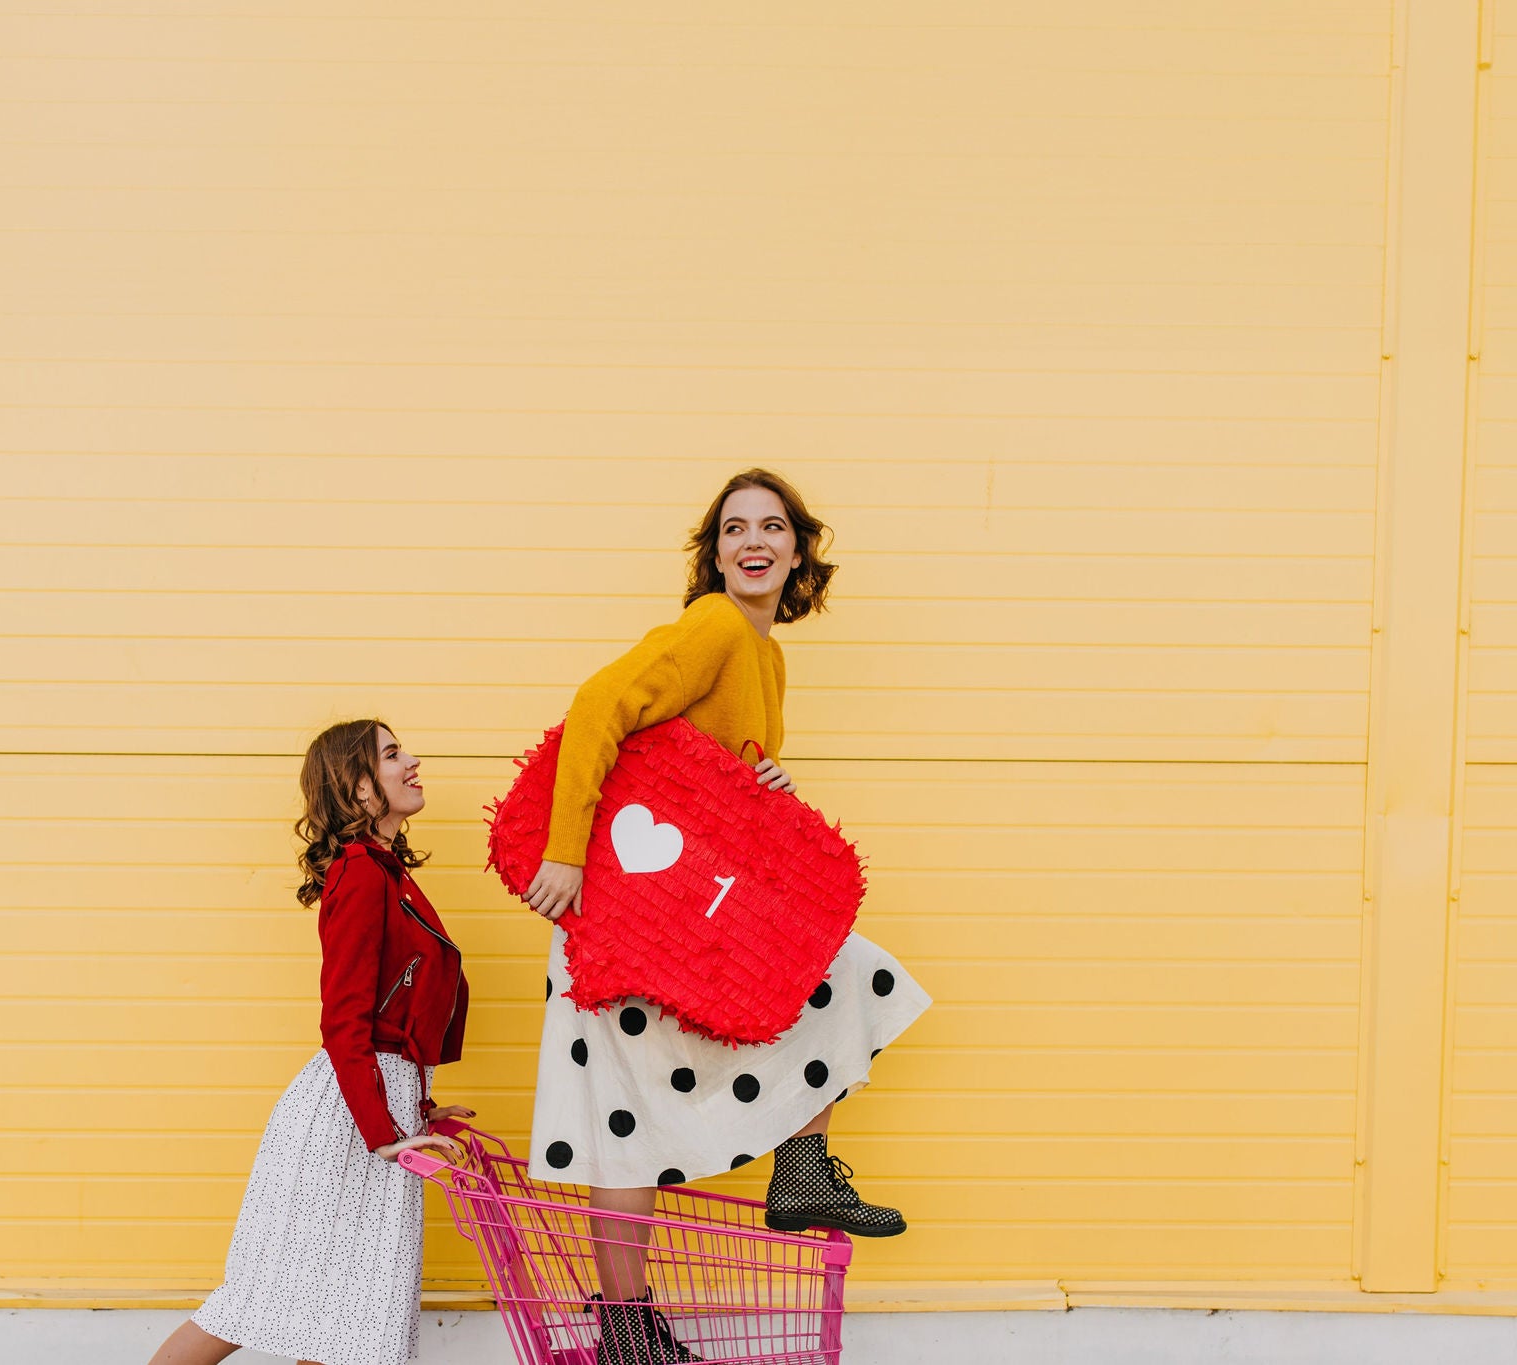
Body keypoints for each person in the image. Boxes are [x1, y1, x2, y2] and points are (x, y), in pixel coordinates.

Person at [522, 469, 931, 1365]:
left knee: (630, 1114)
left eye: (772, 527)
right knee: (628, 1110)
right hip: (627, 909)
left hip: (675, 910)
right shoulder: (711, 625)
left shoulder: (766, 653)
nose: (754, 541)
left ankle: (790, 1177)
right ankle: (789, 1180)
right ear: (715, 553)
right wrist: (564, 849)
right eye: (735, 528)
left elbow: (700, 780)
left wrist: (764, 786)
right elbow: (601, 704)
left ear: (797, 551)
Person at [149, 720, 472, 1365]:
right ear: (358, 788)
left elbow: (391, 1013)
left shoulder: (386, 873)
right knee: (261, 1299)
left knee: (345, 1321)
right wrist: (385, 1131)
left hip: (375, 1109)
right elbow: (345, 1021)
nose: (412, 761)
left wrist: (418, 1104)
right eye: (391, 754)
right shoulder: (360, 874)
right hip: (350, 1123)